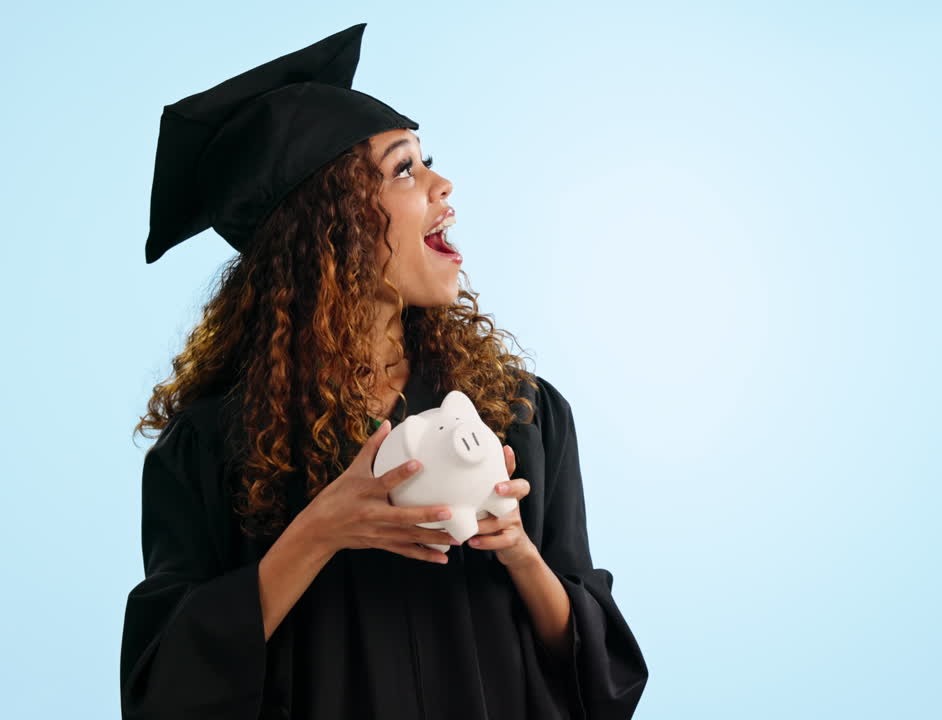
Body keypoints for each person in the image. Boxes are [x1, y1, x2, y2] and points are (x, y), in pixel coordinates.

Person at [120, 23, 648, 719]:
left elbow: (601, 680)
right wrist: (318, 532)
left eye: (427, 161)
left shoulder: (518, 413)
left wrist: (519, 550)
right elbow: (165, 694)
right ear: (327, 227)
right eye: (404, 169)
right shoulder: (213, 447)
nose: (442, 184)